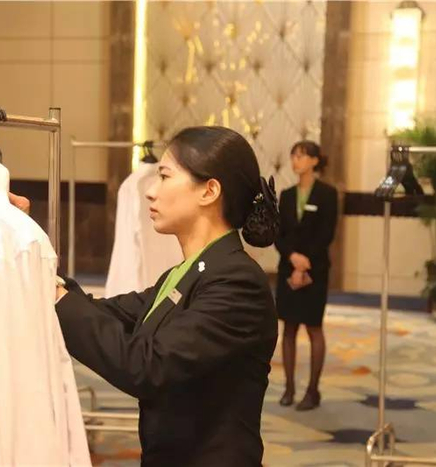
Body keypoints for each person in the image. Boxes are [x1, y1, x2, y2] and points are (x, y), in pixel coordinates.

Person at [54, 127, 279, 466]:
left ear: (209, 191)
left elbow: (147, 366)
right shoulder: (186, 273)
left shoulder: (237, 282)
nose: (151, 191)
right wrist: (38, 260)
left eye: (164, 176)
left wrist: (58, 297)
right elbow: (106, 313)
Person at [274, 140, 337, 411]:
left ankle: (312, 391)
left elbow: (327, 234)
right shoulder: (286, 195)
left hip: (315, 269)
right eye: (293, 156)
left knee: (313, 328)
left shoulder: (327, 194)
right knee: (288, 329)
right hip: (288, 269)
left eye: (300, 156)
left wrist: (304, 262)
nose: (295, 161)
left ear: (314, 160)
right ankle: (289, 388)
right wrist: (292, 258)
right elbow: (278, 234)